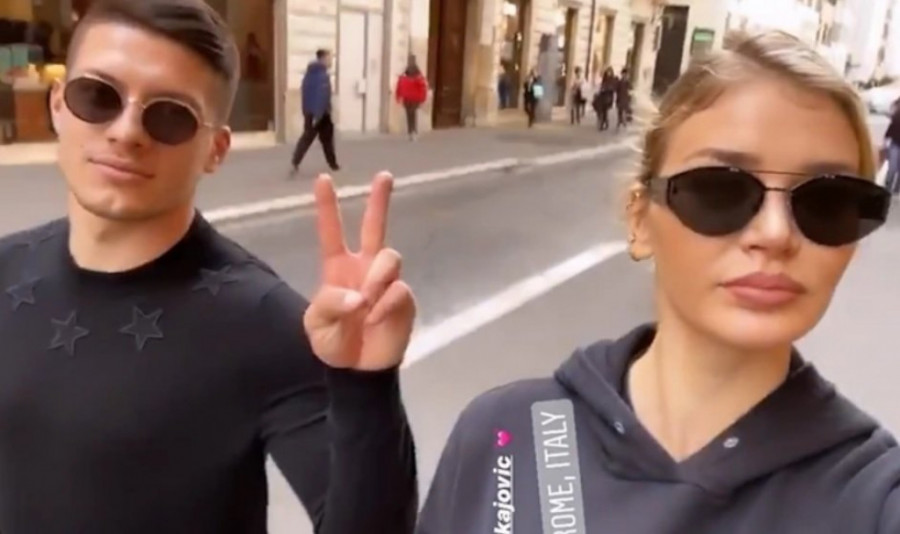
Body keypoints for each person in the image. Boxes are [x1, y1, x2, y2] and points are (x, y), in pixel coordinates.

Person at [416, 30, 895, 534]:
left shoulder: (874, 500)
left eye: (828, 203)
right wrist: (366, 399)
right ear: (640, 219)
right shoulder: (502, 436)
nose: (775, 234)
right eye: (719, 190)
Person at [0, 1, 418, 532]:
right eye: (98, 96)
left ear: (215, 149)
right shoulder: (6, 269)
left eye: (170, 116)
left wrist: (365, 387)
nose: (126, 131)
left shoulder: (263, 320)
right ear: (59, 105)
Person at [290, 48, 339, 177]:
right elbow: (322, 96)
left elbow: (305, 94)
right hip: (321, 113)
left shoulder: (309, 74)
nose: (331, 61)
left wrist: (307, 112)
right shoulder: (323, 76)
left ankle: (295, 161)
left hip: (310, 112)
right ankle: (333, 164)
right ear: (323, 58)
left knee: (307, 138)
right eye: (329, 58)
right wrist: (318, 115)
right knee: (327, 140)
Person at [395, 55, 428, 141]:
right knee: (411, 114)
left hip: (411, 97)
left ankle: (412, 131)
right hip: (411, 97)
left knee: (410, 114)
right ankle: (412, 132)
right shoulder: (414, 72)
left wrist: (399, 96)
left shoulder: (410, 72)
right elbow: (422, 85)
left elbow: (401, 84)